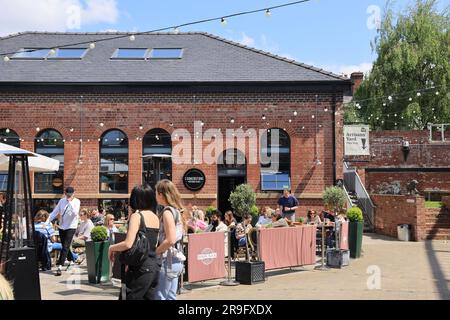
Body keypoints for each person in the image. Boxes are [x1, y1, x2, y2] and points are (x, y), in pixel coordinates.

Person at [108, 184, 160, 300]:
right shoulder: (155, 217)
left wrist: (111, 248)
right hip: (153, 266)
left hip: (139, 268)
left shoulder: (137, 216)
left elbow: (128, 243)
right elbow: (154, 244)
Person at [155, 179, 185, 300]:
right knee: (170, 296)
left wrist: (155, 251)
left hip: (167, 261)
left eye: (156, 193)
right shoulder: (176, 211)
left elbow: (170, 239)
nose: (155, 196)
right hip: (176, 260)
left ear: (161, 194)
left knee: (160, 296)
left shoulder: (167, 212)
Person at [49, 186, 80, 276]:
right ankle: (72, 259)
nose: (68, 196)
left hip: (72, 226)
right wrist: (47, 220)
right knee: (64, 245)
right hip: (62, 226)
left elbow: (75, 212)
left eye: (70, 194)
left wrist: (70, 202)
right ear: (65, 193)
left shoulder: (77, 201)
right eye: (67, 194)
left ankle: (60, 266)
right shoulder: (62, 201)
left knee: (65, 246)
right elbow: (55, 212)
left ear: (74, 193)